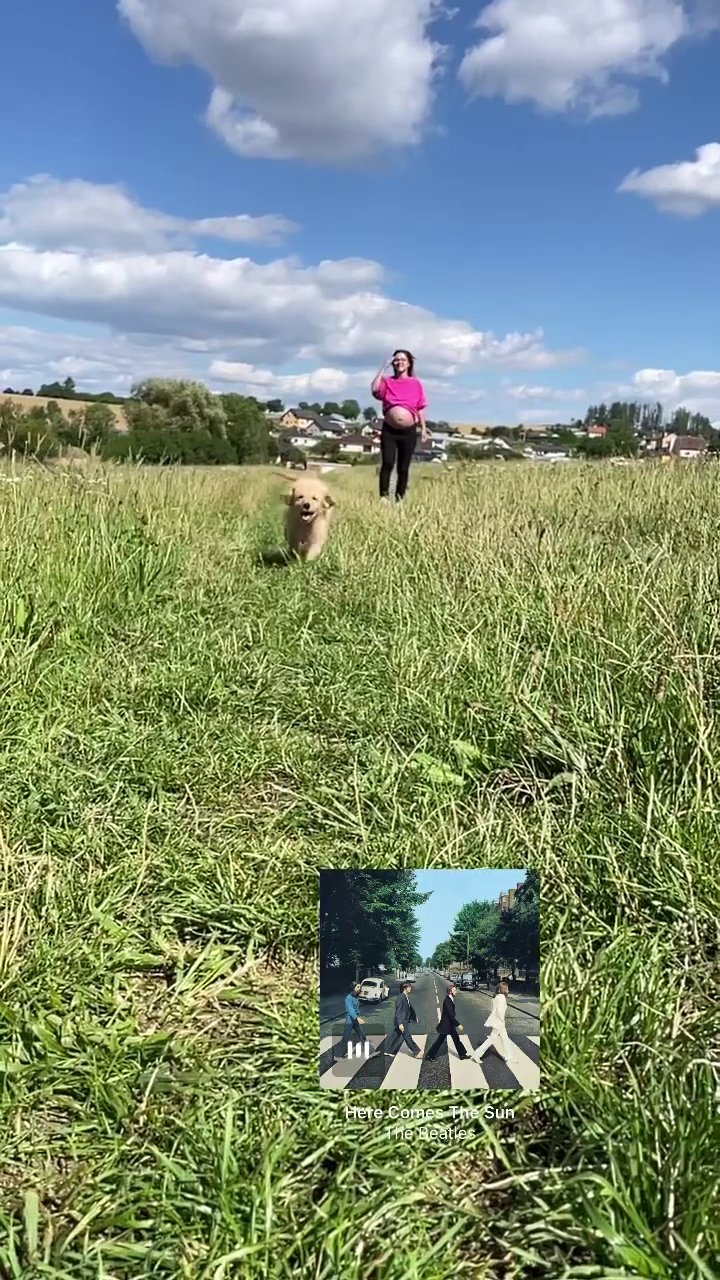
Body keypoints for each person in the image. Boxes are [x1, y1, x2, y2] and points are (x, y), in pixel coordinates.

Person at [370, 350, 429, 502]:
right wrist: (383, 368)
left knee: (403, 468)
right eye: (396, 360)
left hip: (408, 432)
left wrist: (423, 428)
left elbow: (421, 407)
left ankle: (399, 499)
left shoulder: (416, 384)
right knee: (388, 463)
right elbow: (374, 389)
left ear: (409, 363)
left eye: (403, 359)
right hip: (390, 430)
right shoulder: (387, 382)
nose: (399, 362)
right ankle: (383, 497)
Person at [471, 981, 517, 1064]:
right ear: (503, 989)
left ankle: (509, 1057)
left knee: (505, 1039)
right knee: (491, 1040)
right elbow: (500, 1011)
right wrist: (502, 1021)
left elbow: (493, 1009)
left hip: (497, 1021)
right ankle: (476, 1054)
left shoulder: (496, 997)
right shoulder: (502, 997)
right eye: (507, 989)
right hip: (499, 1022)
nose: (508, 991)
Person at [425, 984, 469, 1060]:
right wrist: (458, 1024)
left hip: (450, 1025)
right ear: (450, 991)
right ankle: (429, 1055)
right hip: (446, 1025)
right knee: (440, 1040)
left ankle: (462, 1054)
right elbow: (451, 1016)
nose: (456, 992)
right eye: (454, 990)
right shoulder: (447, 1001)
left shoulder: (450, 999)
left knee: (456, 1039)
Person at [384, 980, 420, 1057]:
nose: (410, 988)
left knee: (395, 1035)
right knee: (407, 1036)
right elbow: (398, 1012)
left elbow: (410, 1008)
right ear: (404, 988)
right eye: (409, 986)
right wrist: (400, 1024)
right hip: (402, 1021)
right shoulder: (400, 998)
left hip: (403, 1020)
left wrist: (414, 1017)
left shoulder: (405, 996)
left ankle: (387, 1050)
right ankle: (416, 1052)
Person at [334, 982, 368, 1060]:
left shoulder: (356, 996)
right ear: (353, 988)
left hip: (355, 1020)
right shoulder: (348, 998)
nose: (360, 988)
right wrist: (357, 1018)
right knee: (345, 1038)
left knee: (363, 1036)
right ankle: (337, 1056)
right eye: (358, 987)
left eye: (360, 987)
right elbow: (350, 1010)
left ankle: (371, 1052)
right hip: (350, 1020)